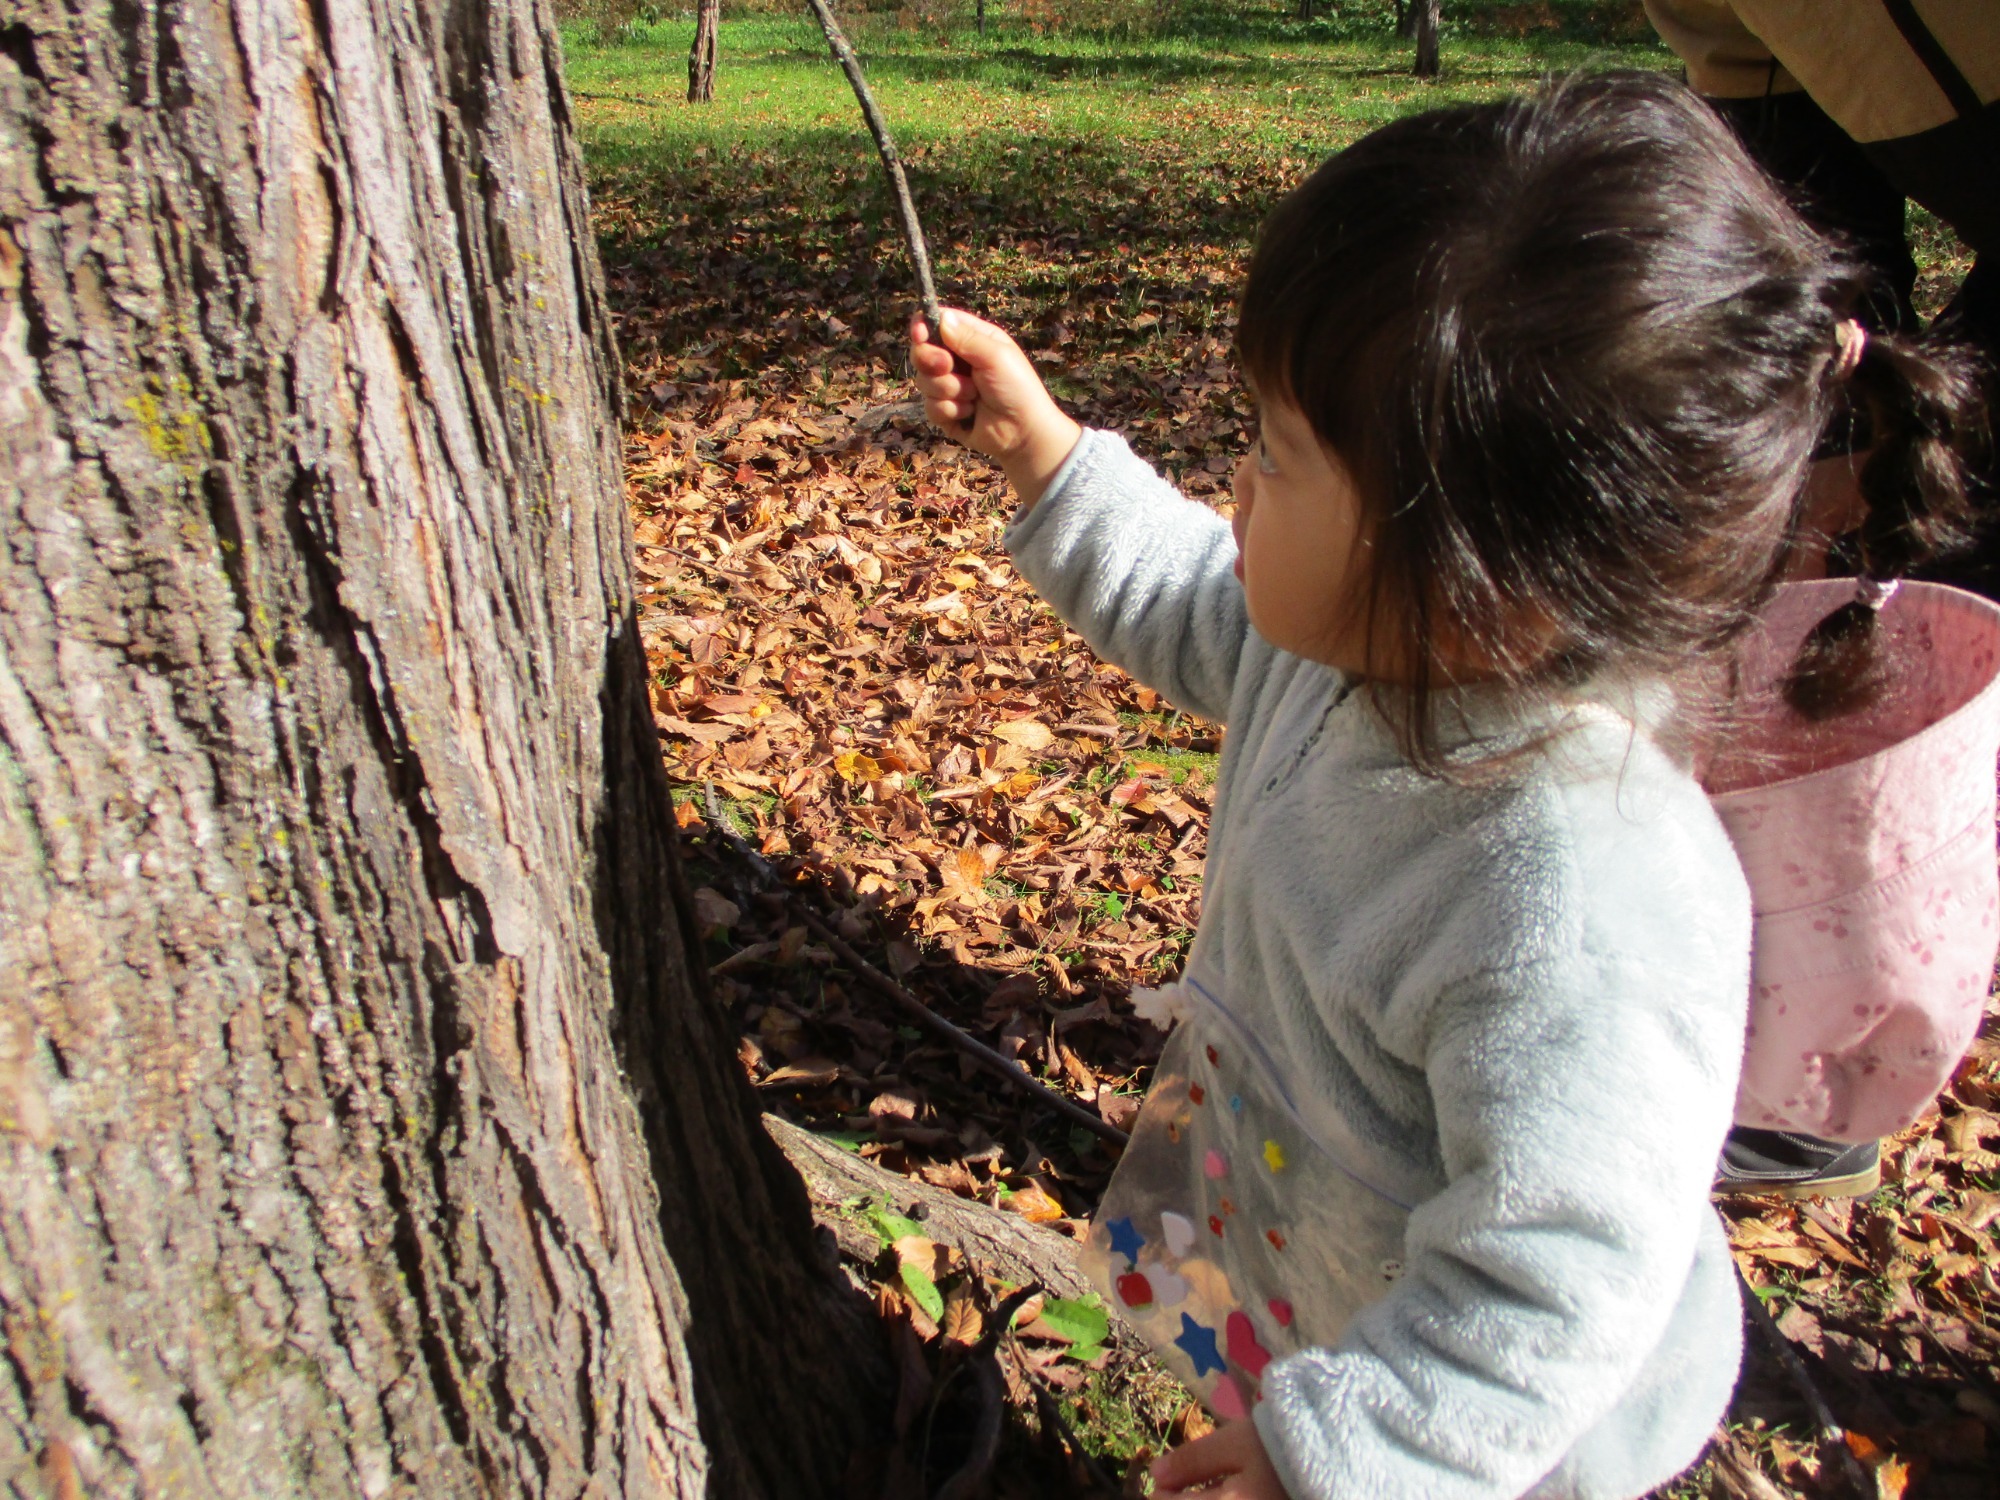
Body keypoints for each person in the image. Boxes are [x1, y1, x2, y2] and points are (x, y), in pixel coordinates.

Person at [907, 73, 1984, 1500]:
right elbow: (1197, 602)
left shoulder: (1581, 894)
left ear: (1478, 576)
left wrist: (1351, 1461)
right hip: (1337, 1253)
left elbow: (1555, 1275)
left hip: (1506, 1433)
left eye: (1280, 459)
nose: (1239, 485)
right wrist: (1044, 454)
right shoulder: (1367, 649)